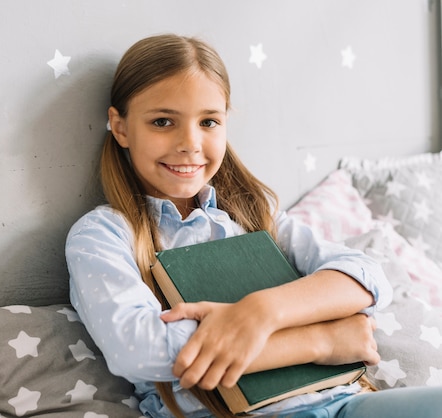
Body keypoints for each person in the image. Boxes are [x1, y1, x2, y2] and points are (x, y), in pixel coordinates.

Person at [65, 34, 442, 417]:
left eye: (208, 121)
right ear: (121, 127)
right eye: (163, 121)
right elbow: (141, 349)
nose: (190, 143)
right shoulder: (104, 235)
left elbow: (365, 276)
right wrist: (322, 340)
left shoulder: (251, 213)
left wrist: (261, 311)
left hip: (344, 402)